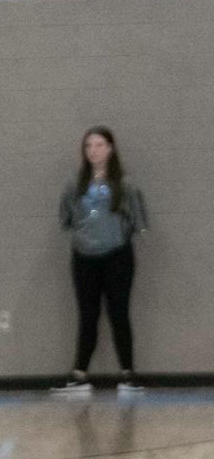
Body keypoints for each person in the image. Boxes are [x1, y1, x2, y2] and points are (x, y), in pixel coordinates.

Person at [53, 126, 148, 398]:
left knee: (119, 312)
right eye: (88, 146)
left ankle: (128, 373)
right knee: (88, 314)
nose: (93, 151)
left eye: (99, 145)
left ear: (110, 149)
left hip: (118, 256)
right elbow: (65, 217)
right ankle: (80, 373)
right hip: (84, 258)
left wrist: (123, 234)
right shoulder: (75, 183)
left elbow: (138, 218)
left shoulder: (125, 183)